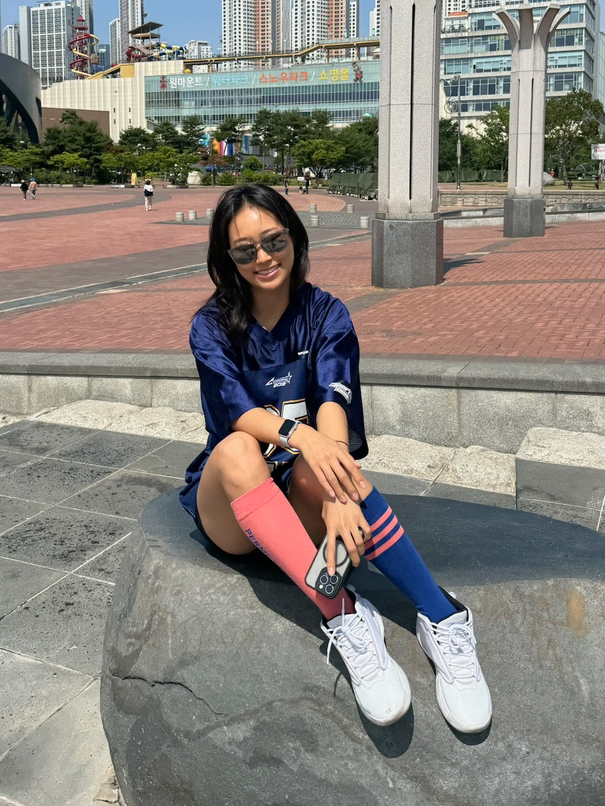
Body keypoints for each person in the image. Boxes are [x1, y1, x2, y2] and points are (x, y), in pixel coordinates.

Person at [180, 184, 492, 733]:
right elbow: (235, 411)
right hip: (235, 504)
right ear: (227, 258)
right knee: (237, 449)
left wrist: (337, 491)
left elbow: (333, 399)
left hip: (297, 499)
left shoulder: (325, 313)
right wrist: (305, 442)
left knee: (330, 463)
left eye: (274, 241)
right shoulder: (211, 324)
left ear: (295, 238)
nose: (263, 258)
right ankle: (343, 614)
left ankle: (443, 616)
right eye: (245, 250)